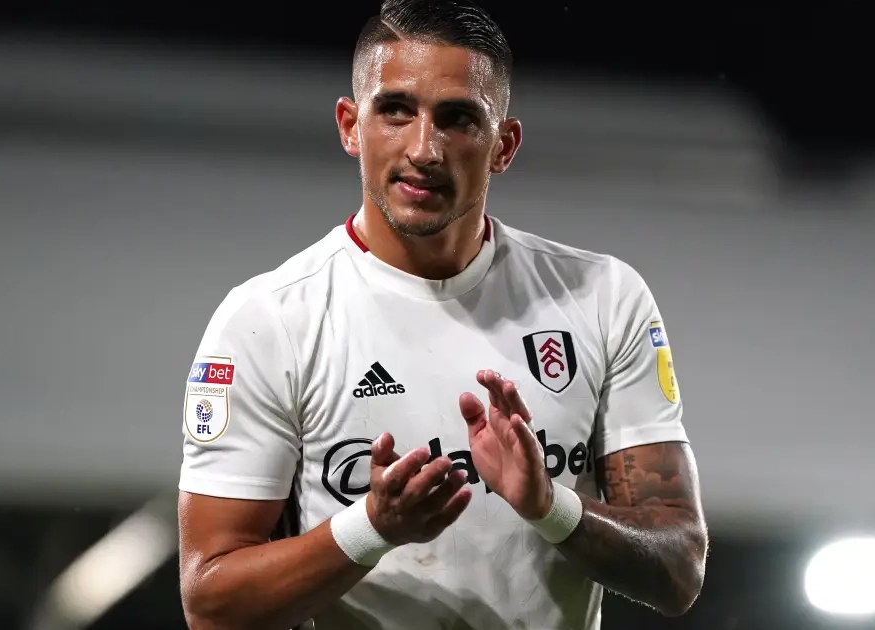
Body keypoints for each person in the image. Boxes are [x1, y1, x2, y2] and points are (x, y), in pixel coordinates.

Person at [176, 1, 708, 628]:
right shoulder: (268, 321)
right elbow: (210, 603)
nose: (424, 149)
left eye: (458, 119)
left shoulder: (602, 298)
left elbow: (679, 570)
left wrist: (550, 508)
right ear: (350, 126)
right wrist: (371, 528)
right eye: (396, 110)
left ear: (504, 145)